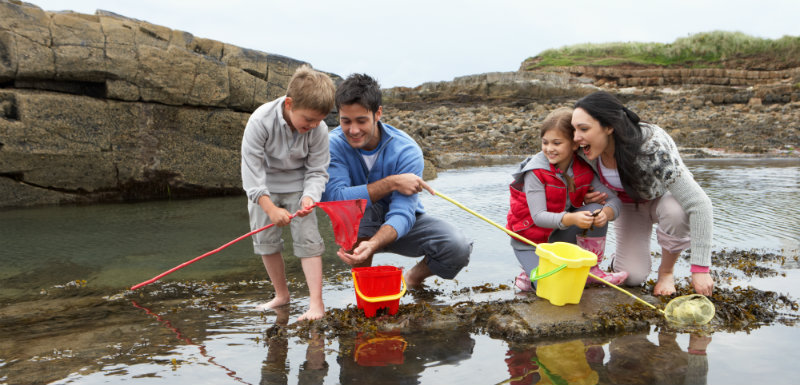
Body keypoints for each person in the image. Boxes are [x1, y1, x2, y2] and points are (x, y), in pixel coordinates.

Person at [322, 73, 472, 287]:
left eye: (361, 121)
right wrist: (392, 182)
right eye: (346, 121)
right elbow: (337, 199)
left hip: (401, 227)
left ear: (378, 114)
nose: (353, 130)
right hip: (358, 223)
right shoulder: (332, 145)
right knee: (355, 209)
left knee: (457, 247)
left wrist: (374, 243)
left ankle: (412, 278)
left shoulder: (407, 150)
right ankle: (362, 289)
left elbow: (403, 213)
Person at [572, 91, 714, 296]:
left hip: (662, 199)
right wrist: (583, 194)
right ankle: (621, 259)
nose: (576, 137)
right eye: (574, 129)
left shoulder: (651, 148)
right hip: (628, 206)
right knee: (632, 278)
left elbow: (700, 204)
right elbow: (550, 164)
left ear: (609, 127)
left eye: (583, 129)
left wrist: (700, 269)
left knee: (676, 211)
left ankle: (666, 272)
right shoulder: (584, 150)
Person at [241, 64, 335, 320]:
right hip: (265, 188)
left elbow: (317, 171)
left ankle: (317, 304)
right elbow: (251, 172)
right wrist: (269, 208)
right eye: (308, 119)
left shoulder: (319, 129)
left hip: (299, 185)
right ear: (290, 103)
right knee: (266, 243)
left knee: (309, 242)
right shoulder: (260, 121)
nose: (314, 125)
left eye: (319, 120)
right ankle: (281, 296)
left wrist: (309, 197)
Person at [506, 108, 627, 292]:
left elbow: (614, 200)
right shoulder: (536, 172)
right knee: (552, 287)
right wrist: (571, 219)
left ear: (574, 144)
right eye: (545, 142)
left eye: (557, 143)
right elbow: (538, 217)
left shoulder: (583, 168)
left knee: (595, 207)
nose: (549, 149)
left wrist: (606, 213)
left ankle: (591, 270)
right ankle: (527, 276)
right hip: (531, 243)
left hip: (557, 236)